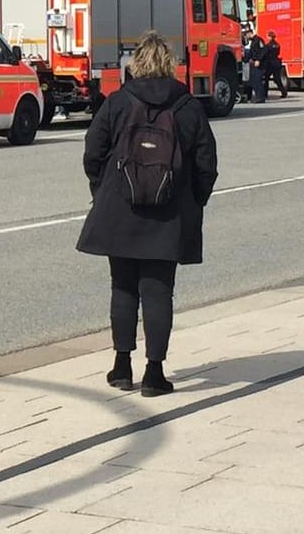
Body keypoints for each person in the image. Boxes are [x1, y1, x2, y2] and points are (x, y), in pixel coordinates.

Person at [77, 31, 219, 398]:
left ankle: (121, 366)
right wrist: (193, 201)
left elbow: (93, 152)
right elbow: (206, 163)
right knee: (158, 292)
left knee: (122, 286)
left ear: (135, 63)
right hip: (168, 213)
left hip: (119, 209)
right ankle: (155, 373)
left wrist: (103, 189)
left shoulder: (118, 102)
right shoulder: (187, 106)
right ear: (170, 64)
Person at [243, 28, 268, 105]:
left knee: (257, 80)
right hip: (253, 63)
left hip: (259, 64)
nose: (246, 37)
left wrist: (258, 60)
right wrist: (245, 60)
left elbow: (263, 51)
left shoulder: (258, 40)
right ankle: (257, 96)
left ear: (249, 33)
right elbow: (251, 53)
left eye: (246, 35)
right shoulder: (253, 41)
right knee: (253, 80)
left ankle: (261, 97)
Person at [263, 31, 288, 98]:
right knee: (277, 79)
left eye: (268, 36)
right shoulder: (277, 45)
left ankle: (265, 94)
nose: (267, 37)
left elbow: (265, 54)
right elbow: (278, 53)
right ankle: (284, 92)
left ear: (270, 37)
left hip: (270, 64)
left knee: (266, 79)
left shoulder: (268, 46)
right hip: (276, 63)